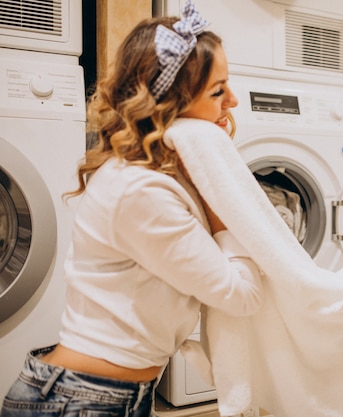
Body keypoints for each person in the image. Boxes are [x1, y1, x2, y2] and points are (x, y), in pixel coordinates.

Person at [0, 2, 263, 416]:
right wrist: (219, 205)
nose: (232, 101)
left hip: (102, 396)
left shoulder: (161, 177)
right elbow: (242, 295)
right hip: (78, 402)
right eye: (217, 91)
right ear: (168, 103)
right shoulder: (141, 190)